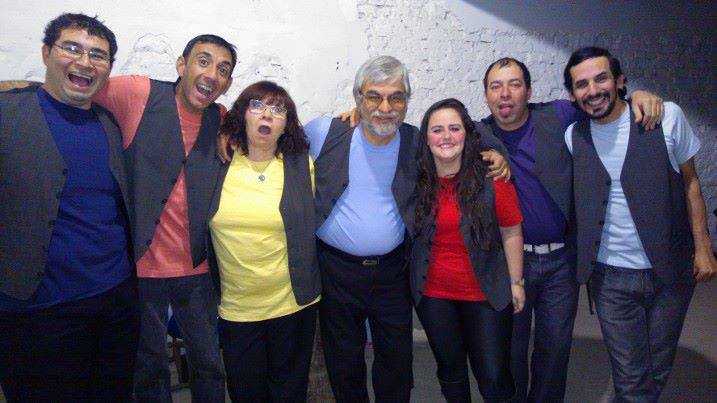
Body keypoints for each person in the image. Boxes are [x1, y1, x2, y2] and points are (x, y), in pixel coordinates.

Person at [305, 55, 509, 402]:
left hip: (393, 272)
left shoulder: (415, 140)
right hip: (336, 271)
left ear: (406, 102)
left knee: (396, 362)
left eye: (395, 98)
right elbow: (278, 143)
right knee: (344, 361)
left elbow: (465, 134)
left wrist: (496, 151)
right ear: (357, 98)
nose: (385, 108)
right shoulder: (325, 131)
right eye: (374, 96)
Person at [478, 57, 664, 403]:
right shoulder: (479, 134)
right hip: (508, 263)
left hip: (560, 262)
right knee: (509, 349)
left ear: (529, 91)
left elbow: (603, 105)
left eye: (514, 84)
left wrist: (635, 95)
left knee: (554, 350)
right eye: (495, 86)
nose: (505, 94)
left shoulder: (558, 115)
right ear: (486, 95)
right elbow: (437, 135)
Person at [563, 46, 717, 401]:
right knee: (632, 378)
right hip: (609, 276)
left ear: (620, 81)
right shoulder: (574, 137)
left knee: (656, 370)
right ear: (572, 95)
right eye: (582, 84)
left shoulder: (667, 117)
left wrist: (703, 247)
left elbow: (691, 182)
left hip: (670, 273)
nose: (593, 90)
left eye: (601, 78)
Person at [0, 13, 138, 402]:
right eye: (72, 48)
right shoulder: (8, 115)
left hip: (116, 300)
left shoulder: (108, 123)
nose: (85, 62)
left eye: (98, 55)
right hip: (36, 311)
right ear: (47, 53)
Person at [92, 34, 236, 402]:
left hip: (197, 269)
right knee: (148, 367)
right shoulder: (139, 93)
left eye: (223, 70)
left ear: (227, 83)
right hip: (140, 269)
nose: (212, 74)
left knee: (209, 363)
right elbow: (76, 88)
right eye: (203, 61)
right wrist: (19, 91)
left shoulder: (220, 118)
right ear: (181, 65)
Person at [208, 80, 320, 402]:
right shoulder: (218, 162)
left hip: (293, 305)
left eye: (278, 109)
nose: (267, 114)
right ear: (243, 115)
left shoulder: (301, 165)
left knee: (289, 392)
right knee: (246, 393)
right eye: (257, 106)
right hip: (238, 309)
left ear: (287, 124)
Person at [410, 98, 525, 402]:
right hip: (433, 295)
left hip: (486, 293)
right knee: (451, 372)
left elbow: (511, 231)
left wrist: (516, 282)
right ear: (426, 138)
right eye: (437, 130)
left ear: (467, 134)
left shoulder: (492, 178)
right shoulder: (415, 181)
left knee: (494, 375)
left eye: (454, 128)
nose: (446, 136)